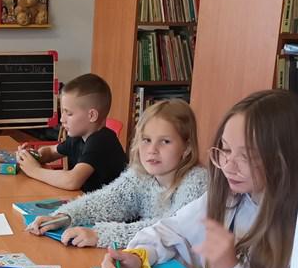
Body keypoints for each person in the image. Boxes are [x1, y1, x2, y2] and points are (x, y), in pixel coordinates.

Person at [101, 90, 298, 268]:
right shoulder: (230, 196)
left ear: (283, 159)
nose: (228, 165)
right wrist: (138, 257)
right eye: (225, 150)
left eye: (246, 156)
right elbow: (172, 231)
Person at [26, 98, 206, 247]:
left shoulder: (197, 182)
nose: (152, 150)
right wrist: (65, 216)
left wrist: (100, 235)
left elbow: (169, 231)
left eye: (165, 141)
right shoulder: (142, 174)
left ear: (187, 147)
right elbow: (109, 200)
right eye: (146, 140)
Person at [15, 73, 127, 192]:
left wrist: (34, 170)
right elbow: (51, 152)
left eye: (68, 113)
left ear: (92, 115)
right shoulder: (79, 137)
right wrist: (35, 156)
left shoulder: (101, 141)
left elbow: (72, 181)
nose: (61, 119)